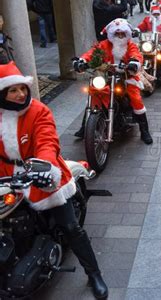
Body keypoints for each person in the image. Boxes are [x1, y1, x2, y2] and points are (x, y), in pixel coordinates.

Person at [0, 62, 108, 299]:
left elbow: (47, 141)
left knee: (71, 227)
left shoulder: (38, 111)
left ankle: (94, 274)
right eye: (13, 90)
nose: (20, 94)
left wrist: (45, 167)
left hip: (42, 176)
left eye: (22, 89)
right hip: (6, 178)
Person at [74, 18, 153, 144]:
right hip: (106, 76)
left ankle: (144, 131)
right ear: (112, 34)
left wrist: (134, 62)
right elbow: (92, 53)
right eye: (117, 34)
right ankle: (85, 127)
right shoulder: (104, 44)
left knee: (135, 98)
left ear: (126, 34)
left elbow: (136, 54)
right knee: (95, 94)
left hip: (127, 76)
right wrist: (82, 61)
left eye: (122, 34)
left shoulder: (130, 45)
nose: (120, 36)